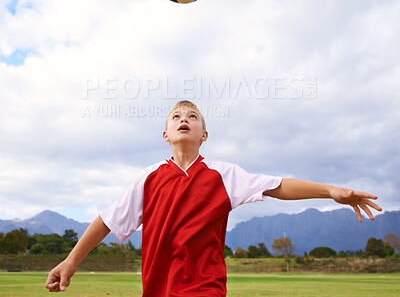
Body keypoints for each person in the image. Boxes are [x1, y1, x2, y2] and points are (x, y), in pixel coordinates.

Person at [45, 100, 382, 295]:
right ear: (165, 134)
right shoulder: (147, 178)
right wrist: (72, 261)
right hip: (158, 288)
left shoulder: (224, 174)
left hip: (205, 288)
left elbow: (277, 185)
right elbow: (108, 220)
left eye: (192, 117)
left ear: (204, 134)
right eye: (176, 116)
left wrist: (331, 191)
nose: (184, 120)